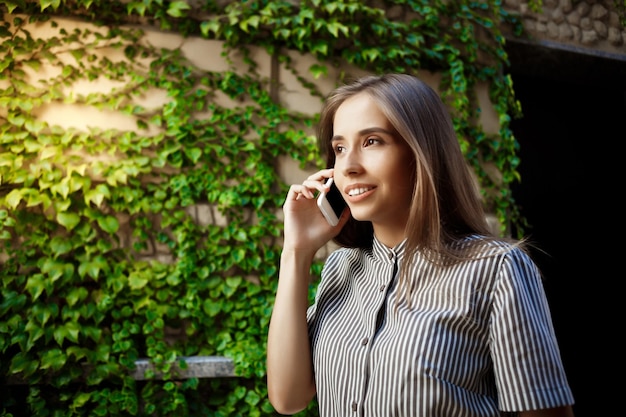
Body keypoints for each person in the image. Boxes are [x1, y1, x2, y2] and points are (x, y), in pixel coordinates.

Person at [266, 73, 575, 417]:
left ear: (420, 151)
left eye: (372, 142)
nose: (349, 166)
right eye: (339, 148)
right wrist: (295, 252)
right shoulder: (341, 268)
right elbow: (288, 398)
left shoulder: (496, 268)